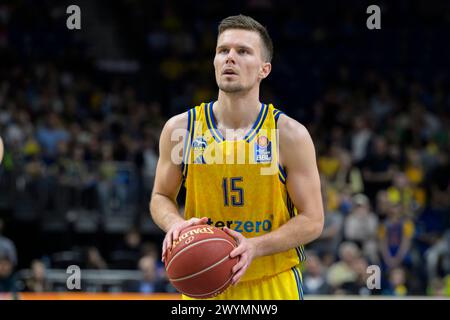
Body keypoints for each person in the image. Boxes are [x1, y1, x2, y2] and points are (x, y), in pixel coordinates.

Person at [150, 14, 324, 300]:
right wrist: (174, 224)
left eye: (243, 51)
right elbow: (160, 196)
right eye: (223, 51)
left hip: (272, 283)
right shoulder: (181, 129)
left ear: (264, 69)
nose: (230, 58)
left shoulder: (289, 135)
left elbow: (313, 220)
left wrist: (256, 246)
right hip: (204, 285)